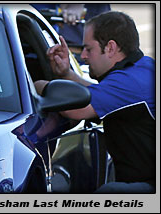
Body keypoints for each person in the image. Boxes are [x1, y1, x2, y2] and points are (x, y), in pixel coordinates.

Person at [36, 11, 156, 193]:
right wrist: (66, 74)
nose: (83, 55)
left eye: (88, 49)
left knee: (107, 195)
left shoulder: (129, 83)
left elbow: (75, 109)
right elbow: (99, 92)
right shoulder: (142, 69)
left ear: (110, 48)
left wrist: (37, 85)